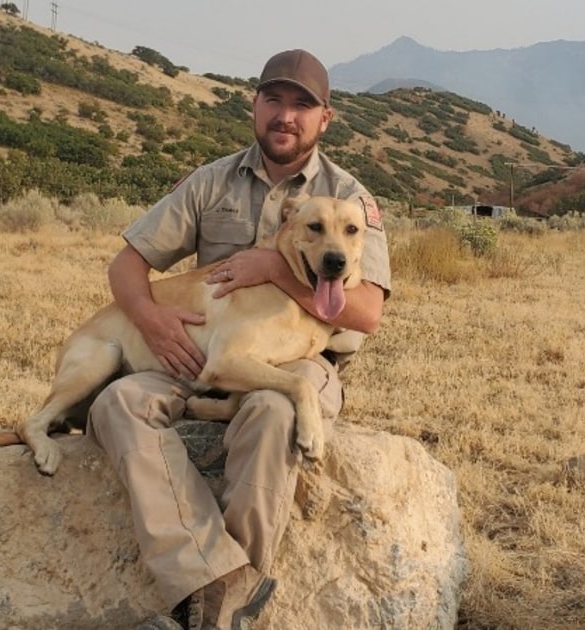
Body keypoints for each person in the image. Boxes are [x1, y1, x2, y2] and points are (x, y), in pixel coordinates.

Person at [86, 49, 392, 630]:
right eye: (274, 100)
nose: (285, 116)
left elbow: (366, 313)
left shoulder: (348, 199)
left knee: (275, 409)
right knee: (114, 403)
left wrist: (276, 269)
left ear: (324, 118)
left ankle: (220, 604)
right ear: (254, 105)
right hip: (198, 355)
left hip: (302, 359)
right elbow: (126, 266)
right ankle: (215, 582)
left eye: (302, 105)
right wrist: (150, 318)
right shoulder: (211, 181)